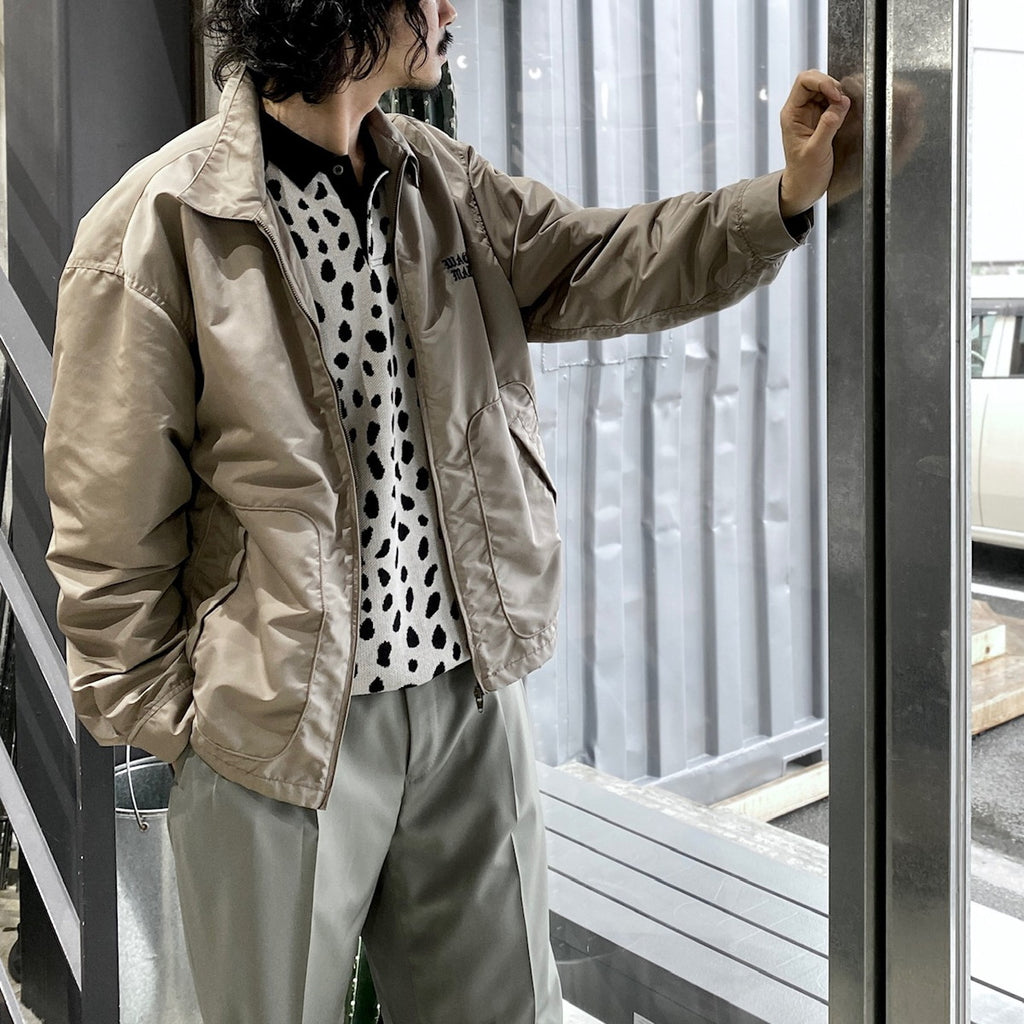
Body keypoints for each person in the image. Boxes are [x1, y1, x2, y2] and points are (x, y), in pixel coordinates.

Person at [42, 1, 850, 1021]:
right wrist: (184, 731)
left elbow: (600, 259)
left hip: (468, 703)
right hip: (277, 730)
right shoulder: (160, 223)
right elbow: (107, 524)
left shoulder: (441, 183)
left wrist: (783, 197)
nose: (449, 8)